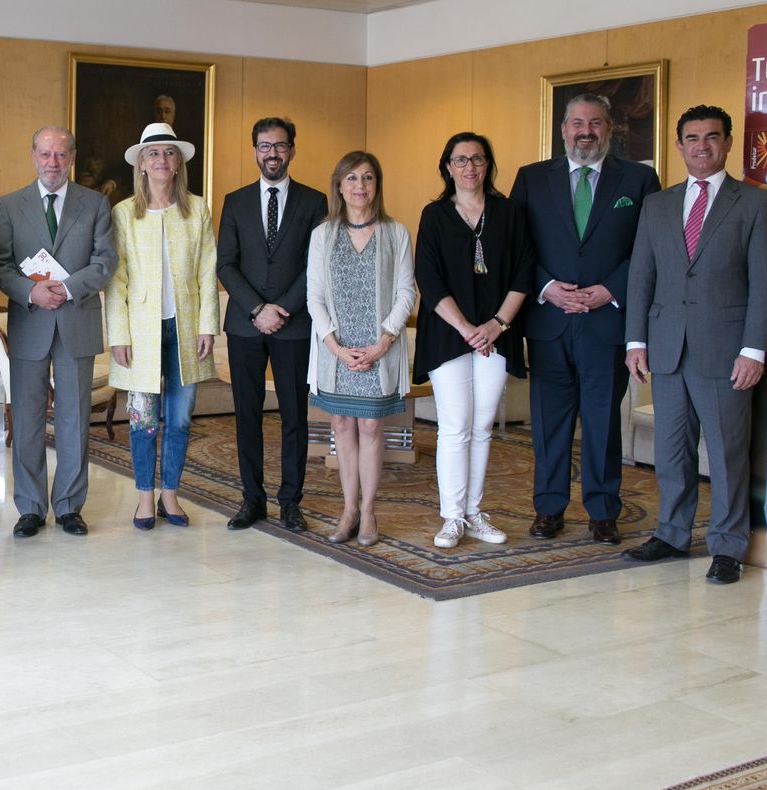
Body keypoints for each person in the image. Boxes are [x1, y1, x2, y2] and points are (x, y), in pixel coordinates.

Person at [623, 105, 767, 584]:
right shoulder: (658, 204)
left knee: (728, 454)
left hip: (727, 351)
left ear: (728, 142)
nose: (702, 146)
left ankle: (728, 547)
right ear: (679, 146)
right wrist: (636, 340)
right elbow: (641, 276)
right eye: (692, 138)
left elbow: (765, 284)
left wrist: (754, 350)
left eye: (712, 137)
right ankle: (672, 533)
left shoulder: (754, 204)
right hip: (668, 348)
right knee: (671, 452)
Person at [510, 94, 659, 543]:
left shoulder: (638, 179)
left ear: (609, 129)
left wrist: (611, 289)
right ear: (563, 129)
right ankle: (549, 508)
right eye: (577, 123)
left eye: (595, 123)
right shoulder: (532, 179)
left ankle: (603, 511)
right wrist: (546, 287)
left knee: (601, 423)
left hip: (606, 323)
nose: (585, 132)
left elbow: (649, 249)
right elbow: (515, 247)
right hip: (548, 322)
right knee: (549, 424)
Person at [0, 125, 117, 538]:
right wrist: (31, 291)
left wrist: (66, 288)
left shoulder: (96, 204)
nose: (53, 163)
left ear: (72, 158)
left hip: (76, 318)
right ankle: (29, 507)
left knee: (74, 419)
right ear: (33, 156)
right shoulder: (10, 205)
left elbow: (105, 261)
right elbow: (0, 264)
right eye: (45, 154)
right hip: (29, 322)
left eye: (61, 155)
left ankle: (68, 507)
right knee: (25, 419)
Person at [413, 133, 533, 549]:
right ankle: (451, 516)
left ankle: (473, 513)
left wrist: (497, 325)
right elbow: (427, 280)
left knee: (482, 427)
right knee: (454, 426)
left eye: (478, 159)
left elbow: (524, 273)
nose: (469, 167)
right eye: (460, 160)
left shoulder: (510, 212)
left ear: (488, 165)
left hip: (498, 334)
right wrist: (467, 329)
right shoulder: (434, 215)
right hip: (450, 334)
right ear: (447, 166)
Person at [216, 116, 327, 531]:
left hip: (294, 324)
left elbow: (316, 265)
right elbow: (225, 263)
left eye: (280, 146)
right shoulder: (236, 200)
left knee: (295, 415)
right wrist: (256, 309)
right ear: (254, 152)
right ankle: (253, 500)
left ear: (292, 150)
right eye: (264, 146)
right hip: (245, 325)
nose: (273, 153)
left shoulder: (314, 201)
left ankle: (291, 502)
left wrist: (280, 308)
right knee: (247, 415)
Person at [106, 123, 218, 530]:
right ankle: (144, 499)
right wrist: (118, 334)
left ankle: (170, 494)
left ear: (178, 164)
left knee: (181, 417)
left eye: (169, 153)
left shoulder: (197, 209)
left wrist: (207, 326)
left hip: (185, 330)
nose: (161, 160)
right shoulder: (123, 214)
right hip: (141, 335)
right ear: (140, 163)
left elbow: (208, 271)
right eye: (153, 153)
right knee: (142, 419)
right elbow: (115, 280)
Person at [307, 151, 416, 547]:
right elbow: (314, 296)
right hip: (336, 351)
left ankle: (368, 511)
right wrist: (335, 347)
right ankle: (347, 509)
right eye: (351, 179)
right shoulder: (323, 235)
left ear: (377, 186)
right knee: (341, 426)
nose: (359, 186)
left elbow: (407, 292)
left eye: (368, 178)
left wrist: (383, 341)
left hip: (377, 349)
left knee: (371, 427)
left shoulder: (396, 232)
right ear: (339, 186)